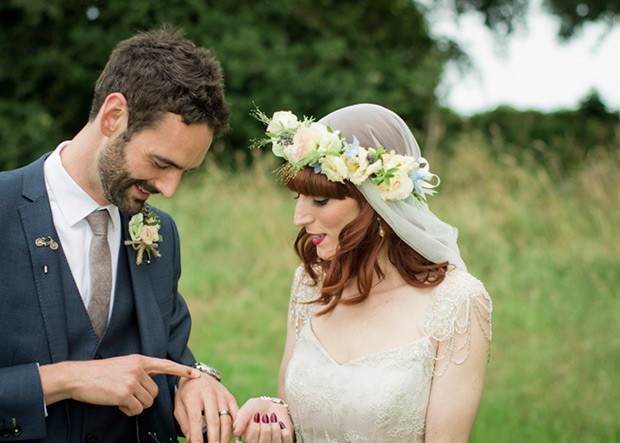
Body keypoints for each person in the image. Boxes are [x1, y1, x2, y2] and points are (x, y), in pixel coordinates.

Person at [0, 28, 238, 443]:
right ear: (113, 116)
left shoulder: (160, 233)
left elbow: (171, 359)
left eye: (184, 171)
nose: (170, 189)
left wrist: (193, 381)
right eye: (161, 163)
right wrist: (65, 380)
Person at [233, 104, 493, 442]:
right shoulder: (309, 282)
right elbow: (292, 415)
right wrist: (271, 411)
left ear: (376, 204)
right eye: (298, 197)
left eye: (320, 202)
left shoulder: (457, 302)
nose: (298, 217)